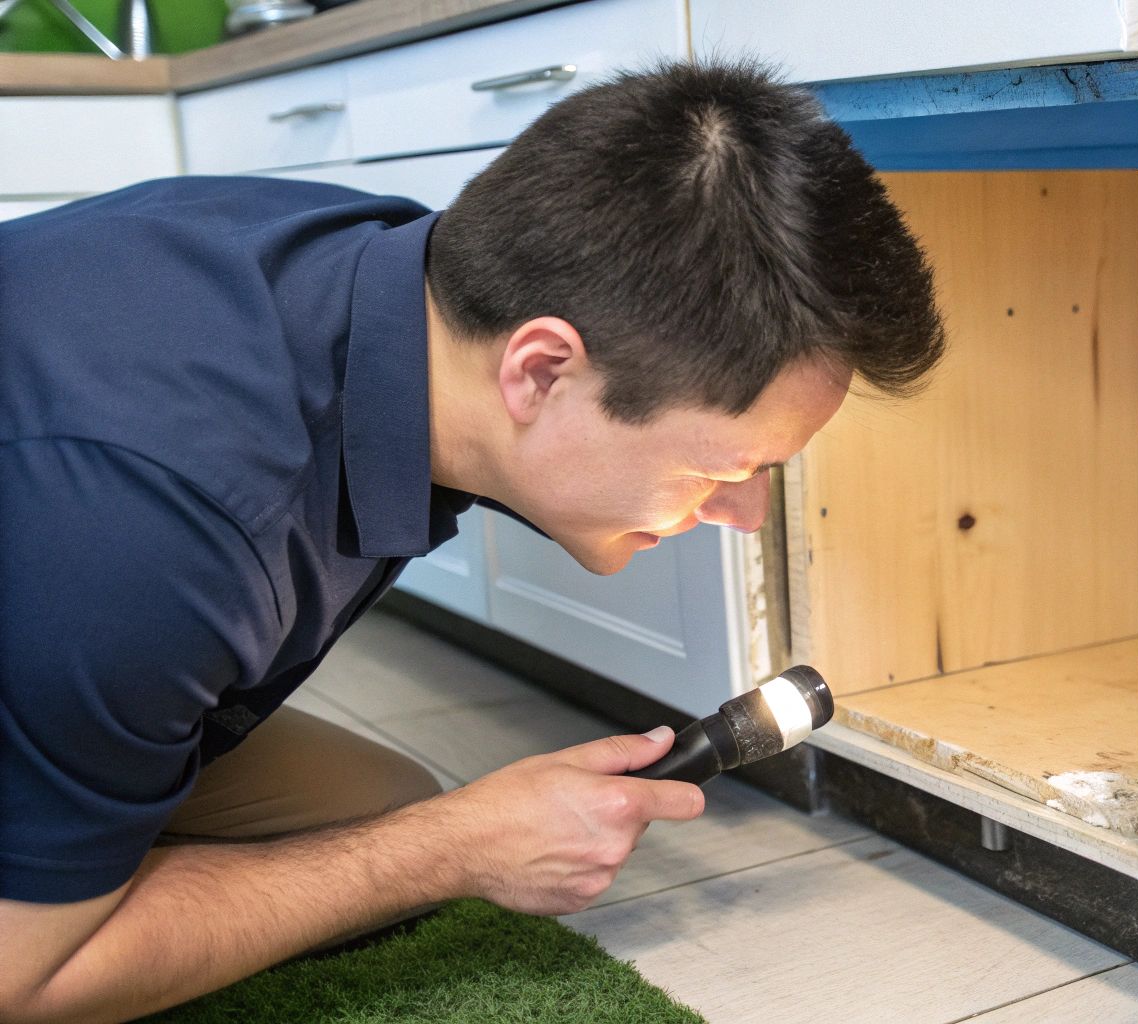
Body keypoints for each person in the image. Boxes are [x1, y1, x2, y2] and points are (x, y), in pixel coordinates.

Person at [0, 58, 945, 1023]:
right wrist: (450, 846)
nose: (740, 515)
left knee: (374, 802)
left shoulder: (401, 282)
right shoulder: (161, 532)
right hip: (86, 561)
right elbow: (21, 987)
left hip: (63, 595)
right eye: (725, 468)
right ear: (540, 371)